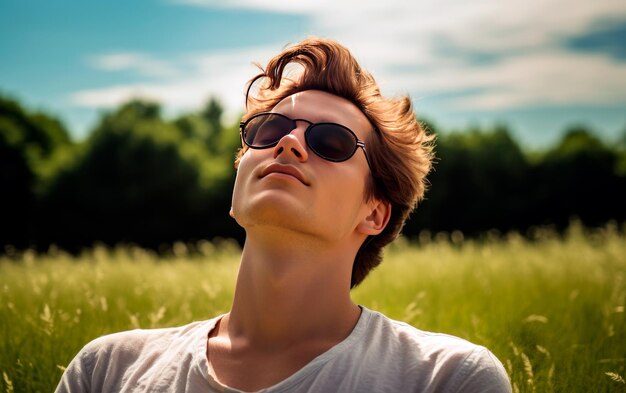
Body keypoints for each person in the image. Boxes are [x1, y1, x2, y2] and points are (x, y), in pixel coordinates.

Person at [56, 37, 512, 393]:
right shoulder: (106, 370)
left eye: (331, 143)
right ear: (240, 176)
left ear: (374, 214)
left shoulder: (445, 379)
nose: (289, 142)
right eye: (269, 128)